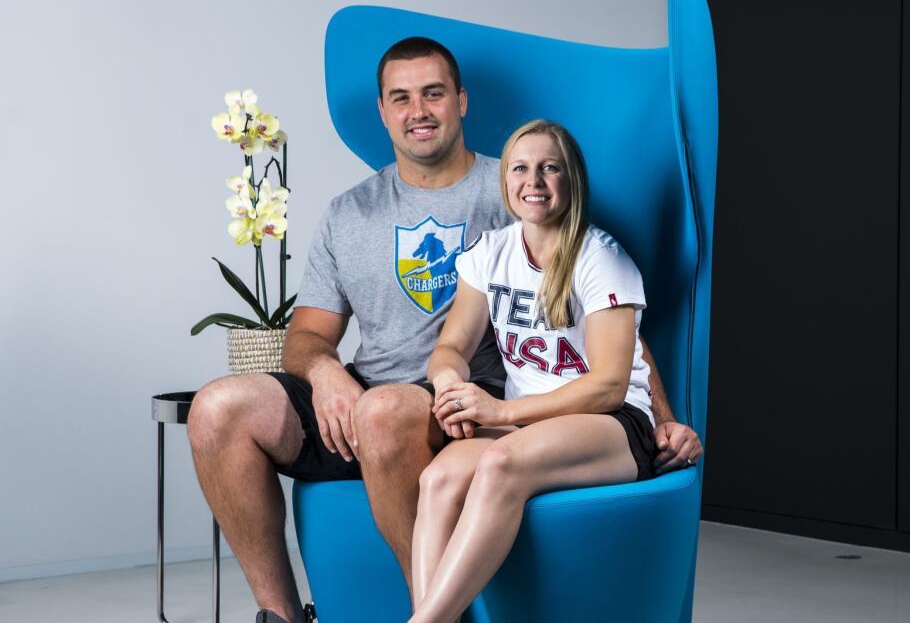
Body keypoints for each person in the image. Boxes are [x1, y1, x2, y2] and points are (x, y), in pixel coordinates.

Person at [186, 37, 703, 623]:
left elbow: (608, 318)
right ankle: (281, 614)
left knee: (382, 412)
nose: (418, 111)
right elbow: (306, 338)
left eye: (433, 93)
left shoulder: (516, 188)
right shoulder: (348, 212)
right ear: (382, 111)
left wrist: (662, 419)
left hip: (458, 407)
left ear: (461, 100)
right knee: (217, 409)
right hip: (366, 394)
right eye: (400, 98)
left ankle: (433, 612)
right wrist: (328, 374)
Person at [409, 119, 657, 622]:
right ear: (505, 181)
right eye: (520, 168)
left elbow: (610, 385)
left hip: (614, 425)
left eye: (550, 168)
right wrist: (450, 386)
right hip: (526, 425)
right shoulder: (489, 254)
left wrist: (500, 410)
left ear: (572, 180)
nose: (534, 181)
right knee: (437, 479)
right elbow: (452, 345)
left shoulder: (600, 258)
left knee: (500, 465)